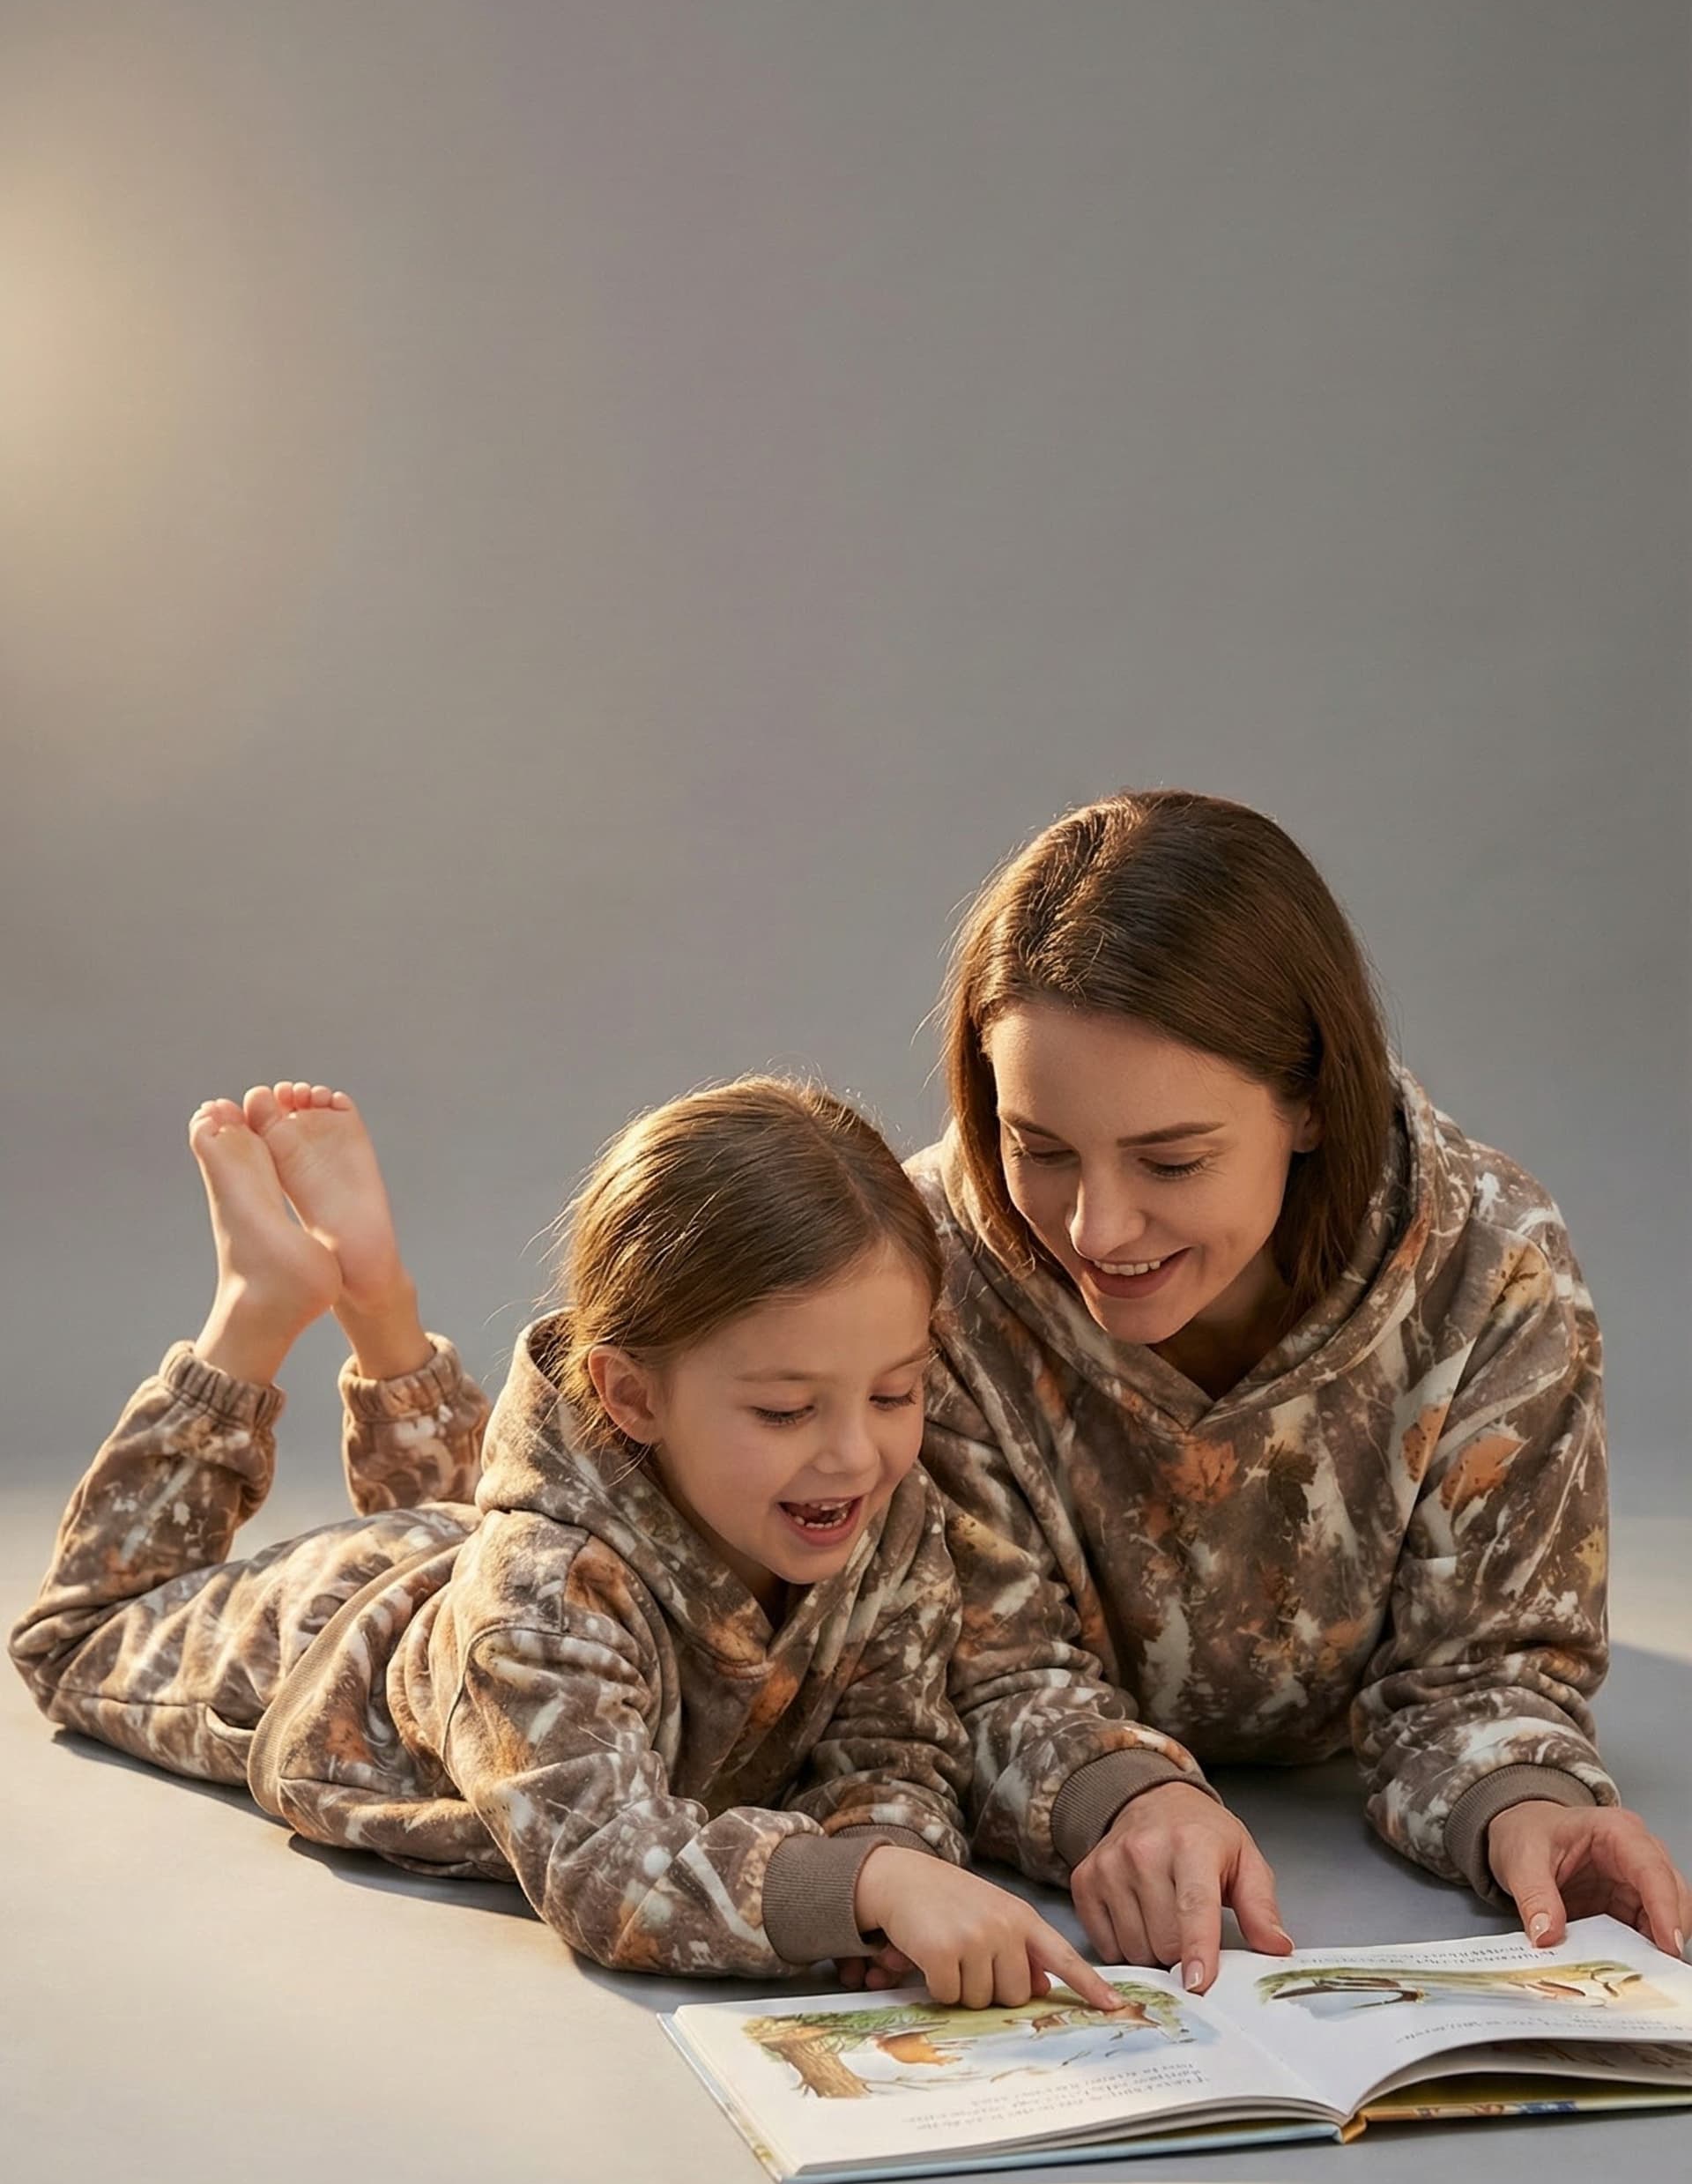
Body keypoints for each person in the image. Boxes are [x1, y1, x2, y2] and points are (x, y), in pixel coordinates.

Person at [11, 1074, 1115, 2010]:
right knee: (79, 1637)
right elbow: (603, 1867)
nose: (856, 1453)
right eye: (786, 1410)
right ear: (630, 1394)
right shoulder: (538, 1590)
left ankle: (379, 1302)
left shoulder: (885, 1514)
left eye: (896, 1391)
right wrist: (861, 1886)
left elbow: (896, 1747)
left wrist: (893, 1857)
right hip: (339, 1642)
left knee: (480, 1536)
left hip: (498, 1576)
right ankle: (267, 1299)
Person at [909, 788, 1690, 1991]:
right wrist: (1123, 1798)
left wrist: (1528, 1801)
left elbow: (1487, 1665)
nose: (1095, 1226)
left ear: (1314, 1101)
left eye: (1173, 1159)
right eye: (1039, 1148)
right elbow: (967, 1664)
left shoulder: (1491, 1267)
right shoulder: (914, 1277)